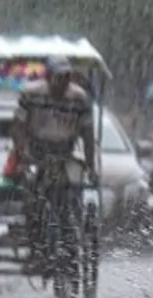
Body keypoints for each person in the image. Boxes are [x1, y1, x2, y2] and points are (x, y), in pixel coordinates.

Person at [9, 56, 97, 275]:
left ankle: (72, 236)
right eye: (59, 77)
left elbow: (87, 134)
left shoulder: (79, 98)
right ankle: (37, 250)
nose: (63, 82)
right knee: (34, 199)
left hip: (64, 153)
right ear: (48, 76)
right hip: (36, 153)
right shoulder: (31, 94)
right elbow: (18, 126)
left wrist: (90, 163)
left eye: (67, 77)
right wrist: (23, 152)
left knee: (71, 196)